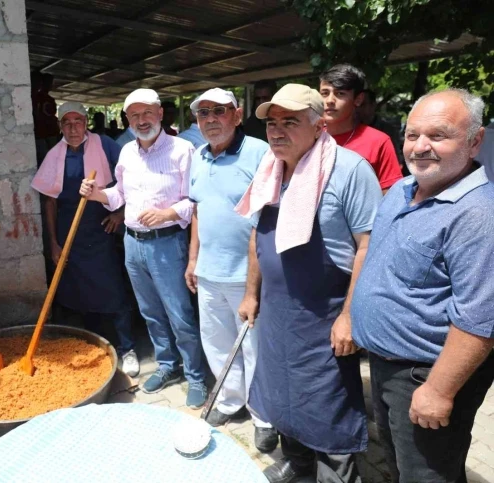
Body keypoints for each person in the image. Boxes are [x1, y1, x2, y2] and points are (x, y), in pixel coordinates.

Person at [236, 84, 382, 483]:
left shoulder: (349, 170)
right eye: (271, 122)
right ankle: (297, 462)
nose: (277, 131)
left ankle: (334, 473)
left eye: (290, 121)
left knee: (327, 401)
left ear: (319, 126)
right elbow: (257, 235)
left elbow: (369, 246)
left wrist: (350, 317)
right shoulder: (269, 168)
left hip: (324, 314)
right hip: (278, 310)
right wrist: (251, 293)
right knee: (280, 392)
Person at [351, 89, 494, 483]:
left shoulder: (480, 215)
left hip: (426, 375)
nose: (420, 146)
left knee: (428, 475)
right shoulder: (400, 189)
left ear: (475, 141)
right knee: (400, 463)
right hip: (385, 365)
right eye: (412, 135)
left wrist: (439, 390)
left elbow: (480, 319)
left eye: (438, 135)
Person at [79, 88, 208, 408]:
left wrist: (168, 213)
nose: (141, 120)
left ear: (160, 114)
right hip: (133, 244)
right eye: (134, 115)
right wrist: (96, 194)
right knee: (150, 312)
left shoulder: (183, 149)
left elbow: (196, 200)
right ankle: (167, 366)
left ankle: (196, 376)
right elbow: (118, 196)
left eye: (147, 113)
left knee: (179, 313)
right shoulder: (127, 152)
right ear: (127, 119)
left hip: (168, 244)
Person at [184, 88, 278, 452]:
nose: (210, 120)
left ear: (237, 115)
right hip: (209, 272)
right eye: (203, 113)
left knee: (254, 347)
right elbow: (197, 211)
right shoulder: (198, 156)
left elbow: (266, 220)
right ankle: (228, 402)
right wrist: (193, 260)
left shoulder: (260, 153)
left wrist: (255, 287)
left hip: (247, 275)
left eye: (218, 111)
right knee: (218, 343)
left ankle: (263, 416)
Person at [31, 101, 138, 376]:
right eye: (67, 123)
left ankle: (127, 348)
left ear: (86, 123)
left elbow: (132, 178)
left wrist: (121, 214)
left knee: (113, 291)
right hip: (70, 236)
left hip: (101, 231)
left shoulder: (104, 145)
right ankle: (92, 348)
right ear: (60, 126)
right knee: (76, 295)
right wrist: (53, 244)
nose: (73, 127)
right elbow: (50, 203)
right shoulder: (55, 156)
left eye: (78, 121)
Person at [320, 64, 403, 192]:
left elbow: (390, 194)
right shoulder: (308, 137)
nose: (330, 100)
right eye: (324, 93)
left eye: (340, 93)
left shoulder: (378, 141)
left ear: (358, 100)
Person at [358, 88, 404, 166]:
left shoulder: (387, 131)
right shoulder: (349, 128)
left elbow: (395, 161)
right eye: (356, 104)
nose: (358, 108)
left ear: (373, 105)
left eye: (362, 105)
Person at [33, 72, 61, 165]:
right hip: (41, 134)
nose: (50, 85)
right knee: (45, 160)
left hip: (51, 133)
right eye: (48, 82)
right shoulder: (35, 98)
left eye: (51, 82)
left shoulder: (50, 100)